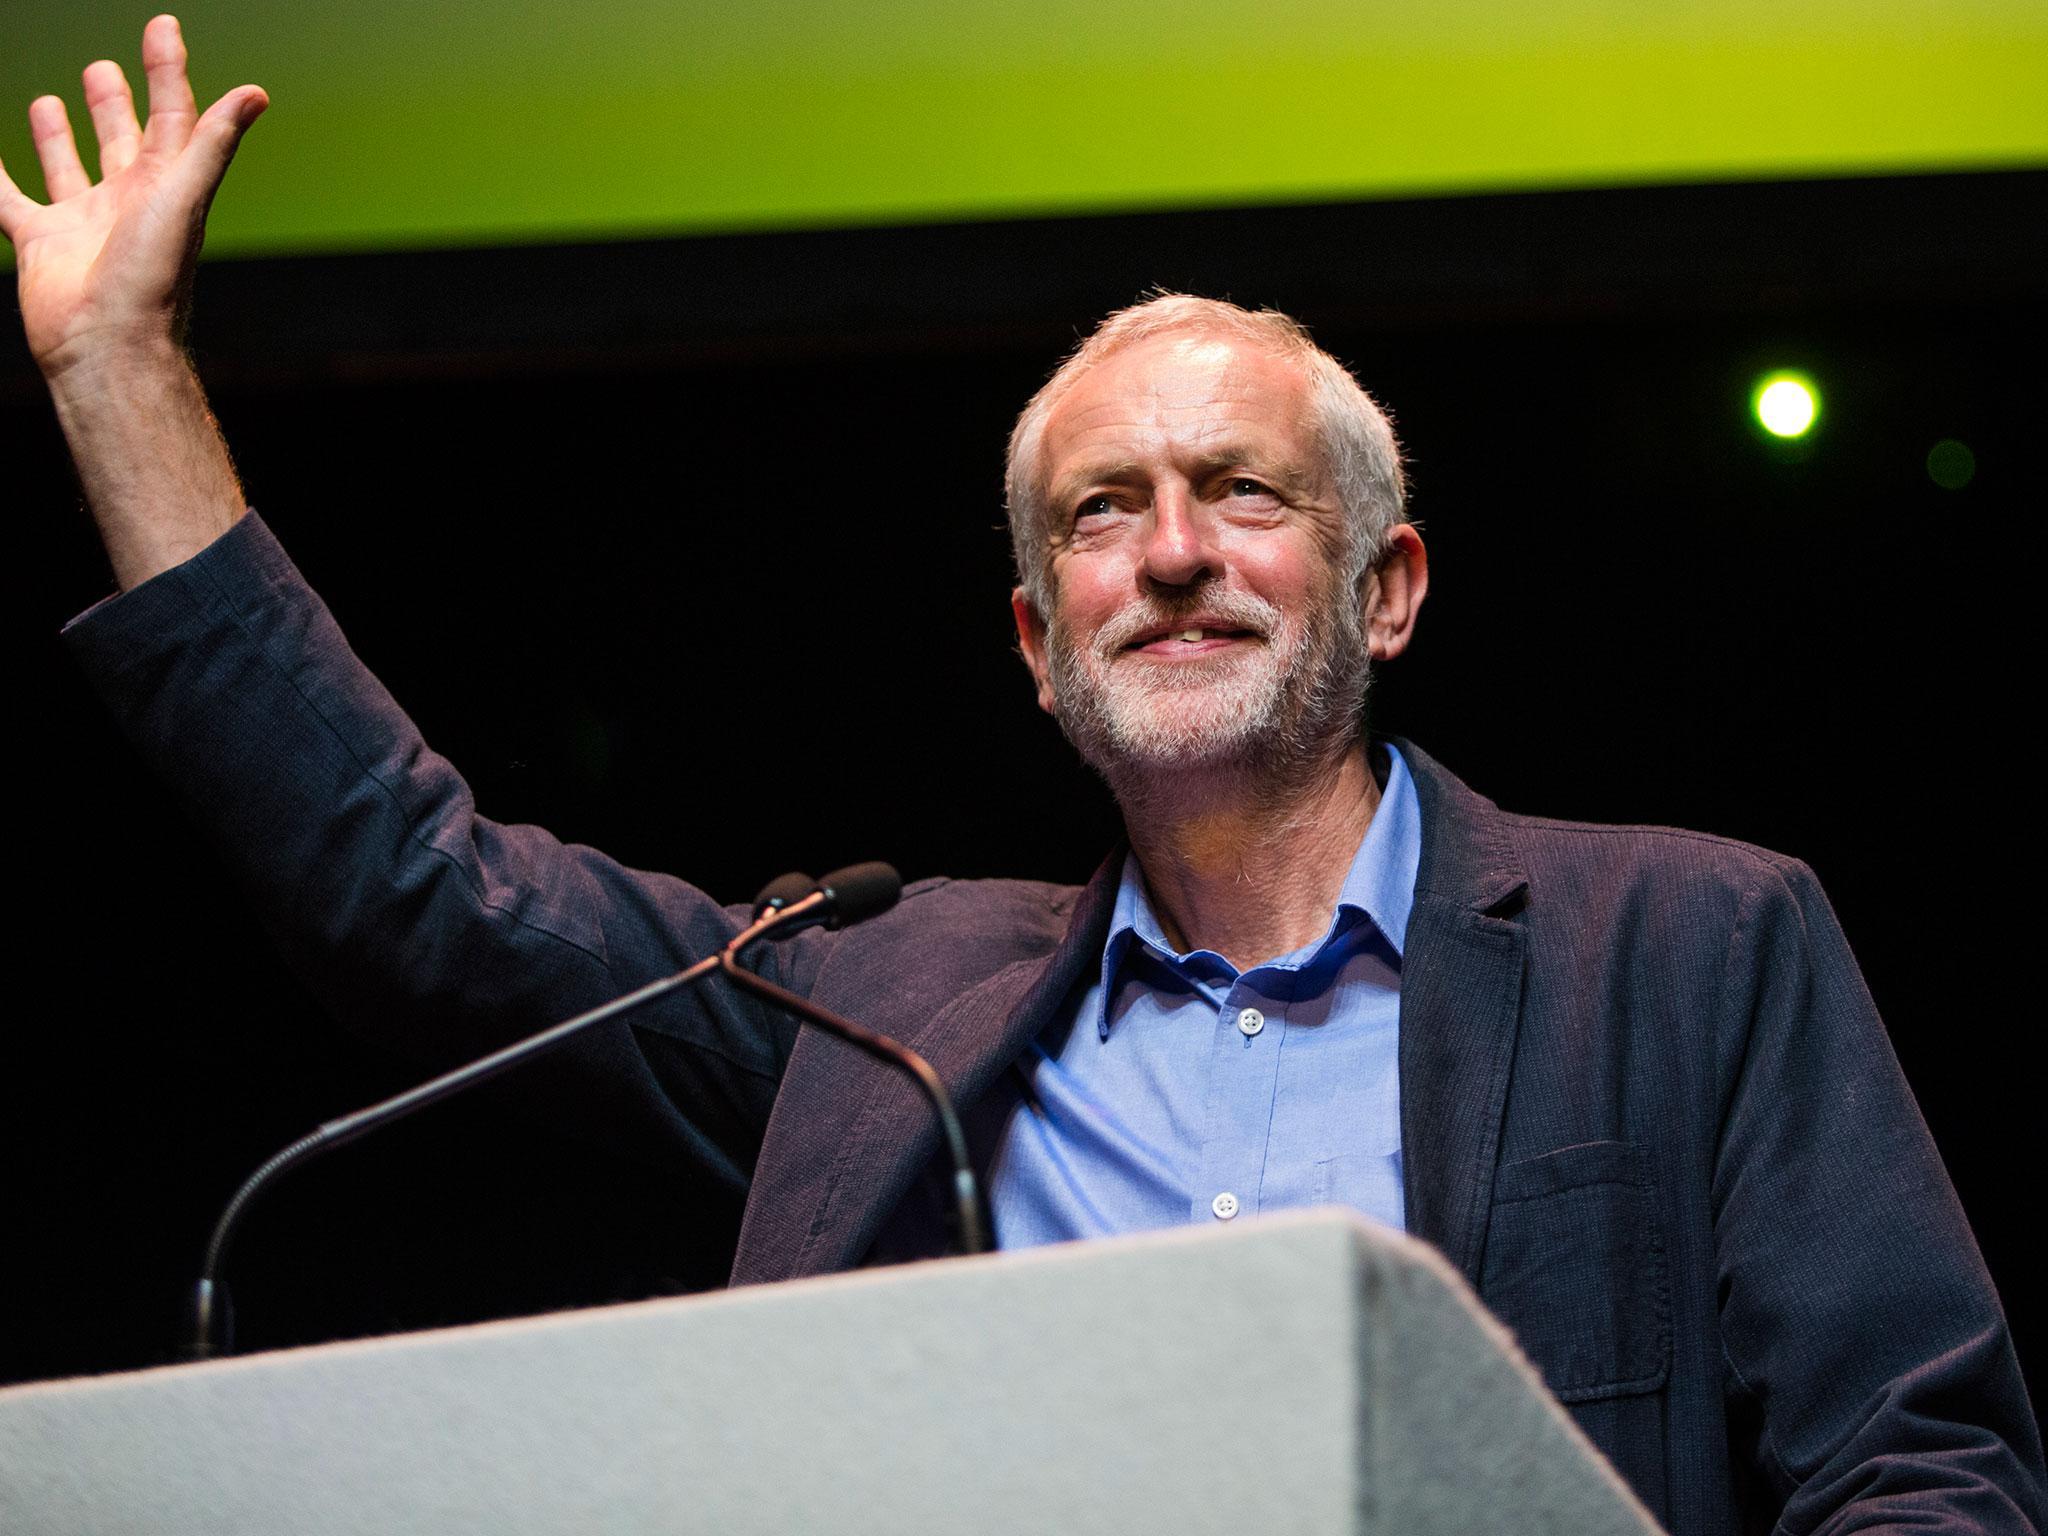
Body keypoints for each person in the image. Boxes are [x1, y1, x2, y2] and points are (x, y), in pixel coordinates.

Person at [7, 18, 2042, 1534]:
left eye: (1239, 494)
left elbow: (1921, 1470)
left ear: (1386, 585)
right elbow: (412, 885)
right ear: (1033, 642)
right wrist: (119, 374)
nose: (1167, 550)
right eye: (1099, 513)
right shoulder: (871, 1006)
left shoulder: (1687, 942)